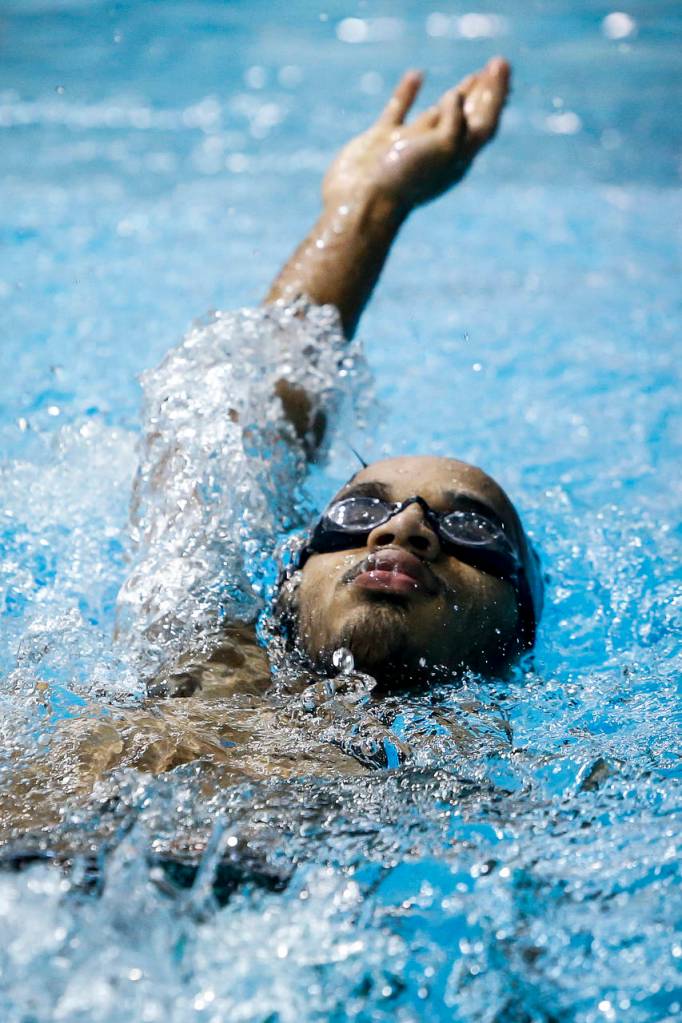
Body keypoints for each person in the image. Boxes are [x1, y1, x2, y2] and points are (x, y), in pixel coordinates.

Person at [3, 58, 543, 845]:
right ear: (287, 584)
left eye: (472, 527)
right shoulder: (203, 657)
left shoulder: (503, 796)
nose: (402, 530)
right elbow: (238, 420)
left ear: (518, 626)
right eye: (362, 508)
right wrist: (368, 205)